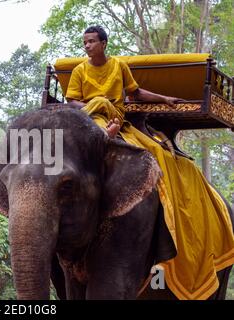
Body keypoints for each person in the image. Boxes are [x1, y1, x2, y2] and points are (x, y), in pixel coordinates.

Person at [65, 25, 234, 300]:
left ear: (104, 44)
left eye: (92, 42)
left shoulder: (118, 66)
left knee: (160, 156)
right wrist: (94, 105)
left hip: (119, 125)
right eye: (84, 42)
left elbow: (136, 93)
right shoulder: (80, 71)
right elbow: (72, 100)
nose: (87, 46)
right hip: (90, 120)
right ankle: (100, 136)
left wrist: (165, 98)